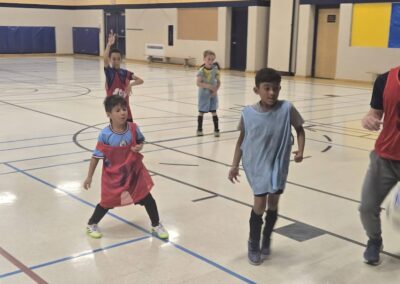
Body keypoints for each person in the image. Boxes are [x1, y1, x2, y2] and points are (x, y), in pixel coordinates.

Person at [228, 68, 305, 265]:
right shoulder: (248, 113)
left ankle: (267, 237)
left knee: (273, 203)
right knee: (260, 204)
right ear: (257, 90)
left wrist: (301, 150)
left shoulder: (287, 109)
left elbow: (299, 129)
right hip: (258, 165)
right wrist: (234, 164)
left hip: (278, 164)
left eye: (276, 89)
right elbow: (241, 140)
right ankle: (253, 242)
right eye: (267, 88)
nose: (272, 93)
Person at [83, 95, 168, 239]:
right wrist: (89, 176)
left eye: (124, 109)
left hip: (134, 174)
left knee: (148, 199)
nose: (122, 112)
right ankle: (91, 224)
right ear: (109, 114)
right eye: (117, 110)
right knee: (107, 203)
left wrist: (139, 147)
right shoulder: (105, 134)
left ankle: (156, 225)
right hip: (114, 177)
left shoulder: (133, 128)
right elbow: (96, 157)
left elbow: (140, 140)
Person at [359, 66, 400, 265]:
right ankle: (374, 241)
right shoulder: (385, 80)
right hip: (385, 158)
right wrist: (369, 119)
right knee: (367, 208)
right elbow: (374, 113)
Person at [104, 31, 144, 122]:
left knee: (130, 134)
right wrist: (109, 45)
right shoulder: (109, 73)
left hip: (127, 112)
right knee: (118, 135)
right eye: (113, 59)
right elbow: (105, 59)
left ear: (121, 60)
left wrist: (131, 85)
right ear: (110, 59)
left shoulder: (126, 73)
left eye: (118, 59)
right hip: (115, 114)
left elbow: (140, 80)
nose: (116, 61)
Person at [196, 50, 221, 137]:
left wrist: (215, 90)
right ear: (204, 59)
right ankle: (199, 129)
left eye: (212, 59)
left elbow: (218, 82)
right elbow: (198, 83)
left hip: (213, 95)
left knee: (214, 111)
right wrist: (208, 86)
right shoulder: (201, 71)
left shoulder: (215, 70)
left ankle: (216, 129)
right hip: (203, 95)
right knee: (201, 112)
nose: (210, 61)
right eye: (209, 59)